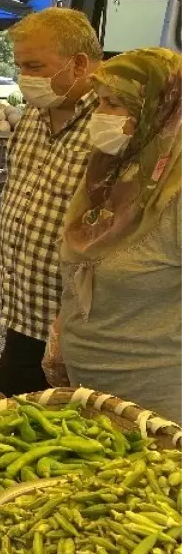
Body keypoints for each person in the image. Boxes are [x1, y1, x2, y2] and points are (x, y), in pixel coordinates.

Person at [47, 49, 182, 418]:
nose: (101, 116)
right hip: (86, 389)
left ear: (159, 107)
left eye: (116, 104)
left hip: (157, 404)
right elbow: (82, 265)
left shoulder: (174, 195)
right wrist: (63, 329)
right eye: (101, 102)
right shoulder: (107, 176)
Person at [0, 9, 101, 396]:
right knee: (14, 395)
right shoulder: (34, 116)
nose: (24, 78)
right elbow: (16, 187)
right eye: (20, 66)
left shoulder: (113, 124)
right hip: (23, 310)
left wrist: (69, 322)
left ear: (79, 63)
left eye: (34, 65)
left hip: (73, 325)